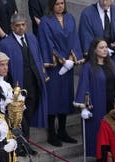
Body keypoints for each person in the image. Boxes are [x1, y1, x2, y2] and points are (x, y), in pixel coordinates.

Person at [38, 0, 83, 147]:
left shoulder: (69, 18)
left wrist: (71, 58)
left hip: (68, 66)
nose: (60, 6)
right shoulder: (45, 21)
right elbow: (46, 42)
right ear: (51, 5)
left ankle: (63, 130)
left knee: (65, 96)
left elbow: (74, 39)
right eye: (57, 3)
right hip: (55, 66)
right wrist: (61, 59)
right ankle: (51, 132)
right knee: (53, 98)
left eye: (62, 3)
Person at [0, 14, 48, 139]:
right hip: (18, 84)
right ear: (12, 27)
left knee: (30, 109)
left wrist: (43, 74)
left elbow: (39, 58)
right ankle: (24, 141)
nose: (21, 28)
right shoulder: (5, 43)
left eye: (23, 25)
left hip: (34, 81)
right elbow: (2, 66)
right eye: (17, 25)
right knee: (21, 114)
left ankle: (25, 140)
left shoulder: (31, 38)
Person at [75, 38, 115, 157]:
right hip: (98, 105)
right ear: (94, 50)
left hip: (112, 104)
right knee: (99, 135)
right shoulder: (88, 67)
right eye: (101, 47)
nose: (105, 50)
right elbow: (84, 85)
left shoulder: (111, 64)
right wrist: (84, 106)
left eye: (106, 47)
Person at [78, 0, 115, 82]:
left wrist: (114, 46)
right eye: (102, 0)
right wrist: (102, 49)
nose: (104, 3)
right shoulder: (87, 14)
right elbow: (86, 35)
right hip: (96, 60)